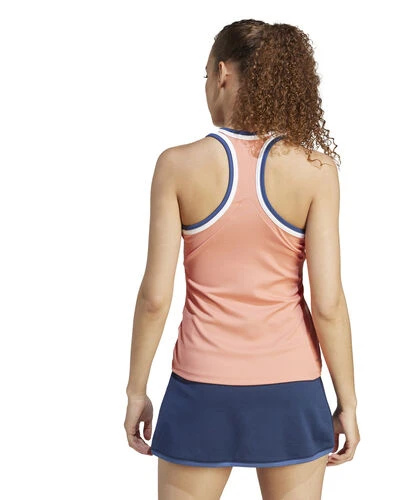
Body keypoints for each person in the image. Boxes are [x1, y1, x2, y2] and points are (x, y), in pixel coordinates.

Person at [124, 18, 360, 500]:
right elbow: (328, 303)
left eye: (205, 74)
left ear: (223, 73)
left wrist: (135, 391)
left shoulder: (177, 166)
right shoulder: (316, 171)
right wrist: (348, 402)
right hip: (291, 389)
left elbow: (154, 298)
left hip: (200, 389)